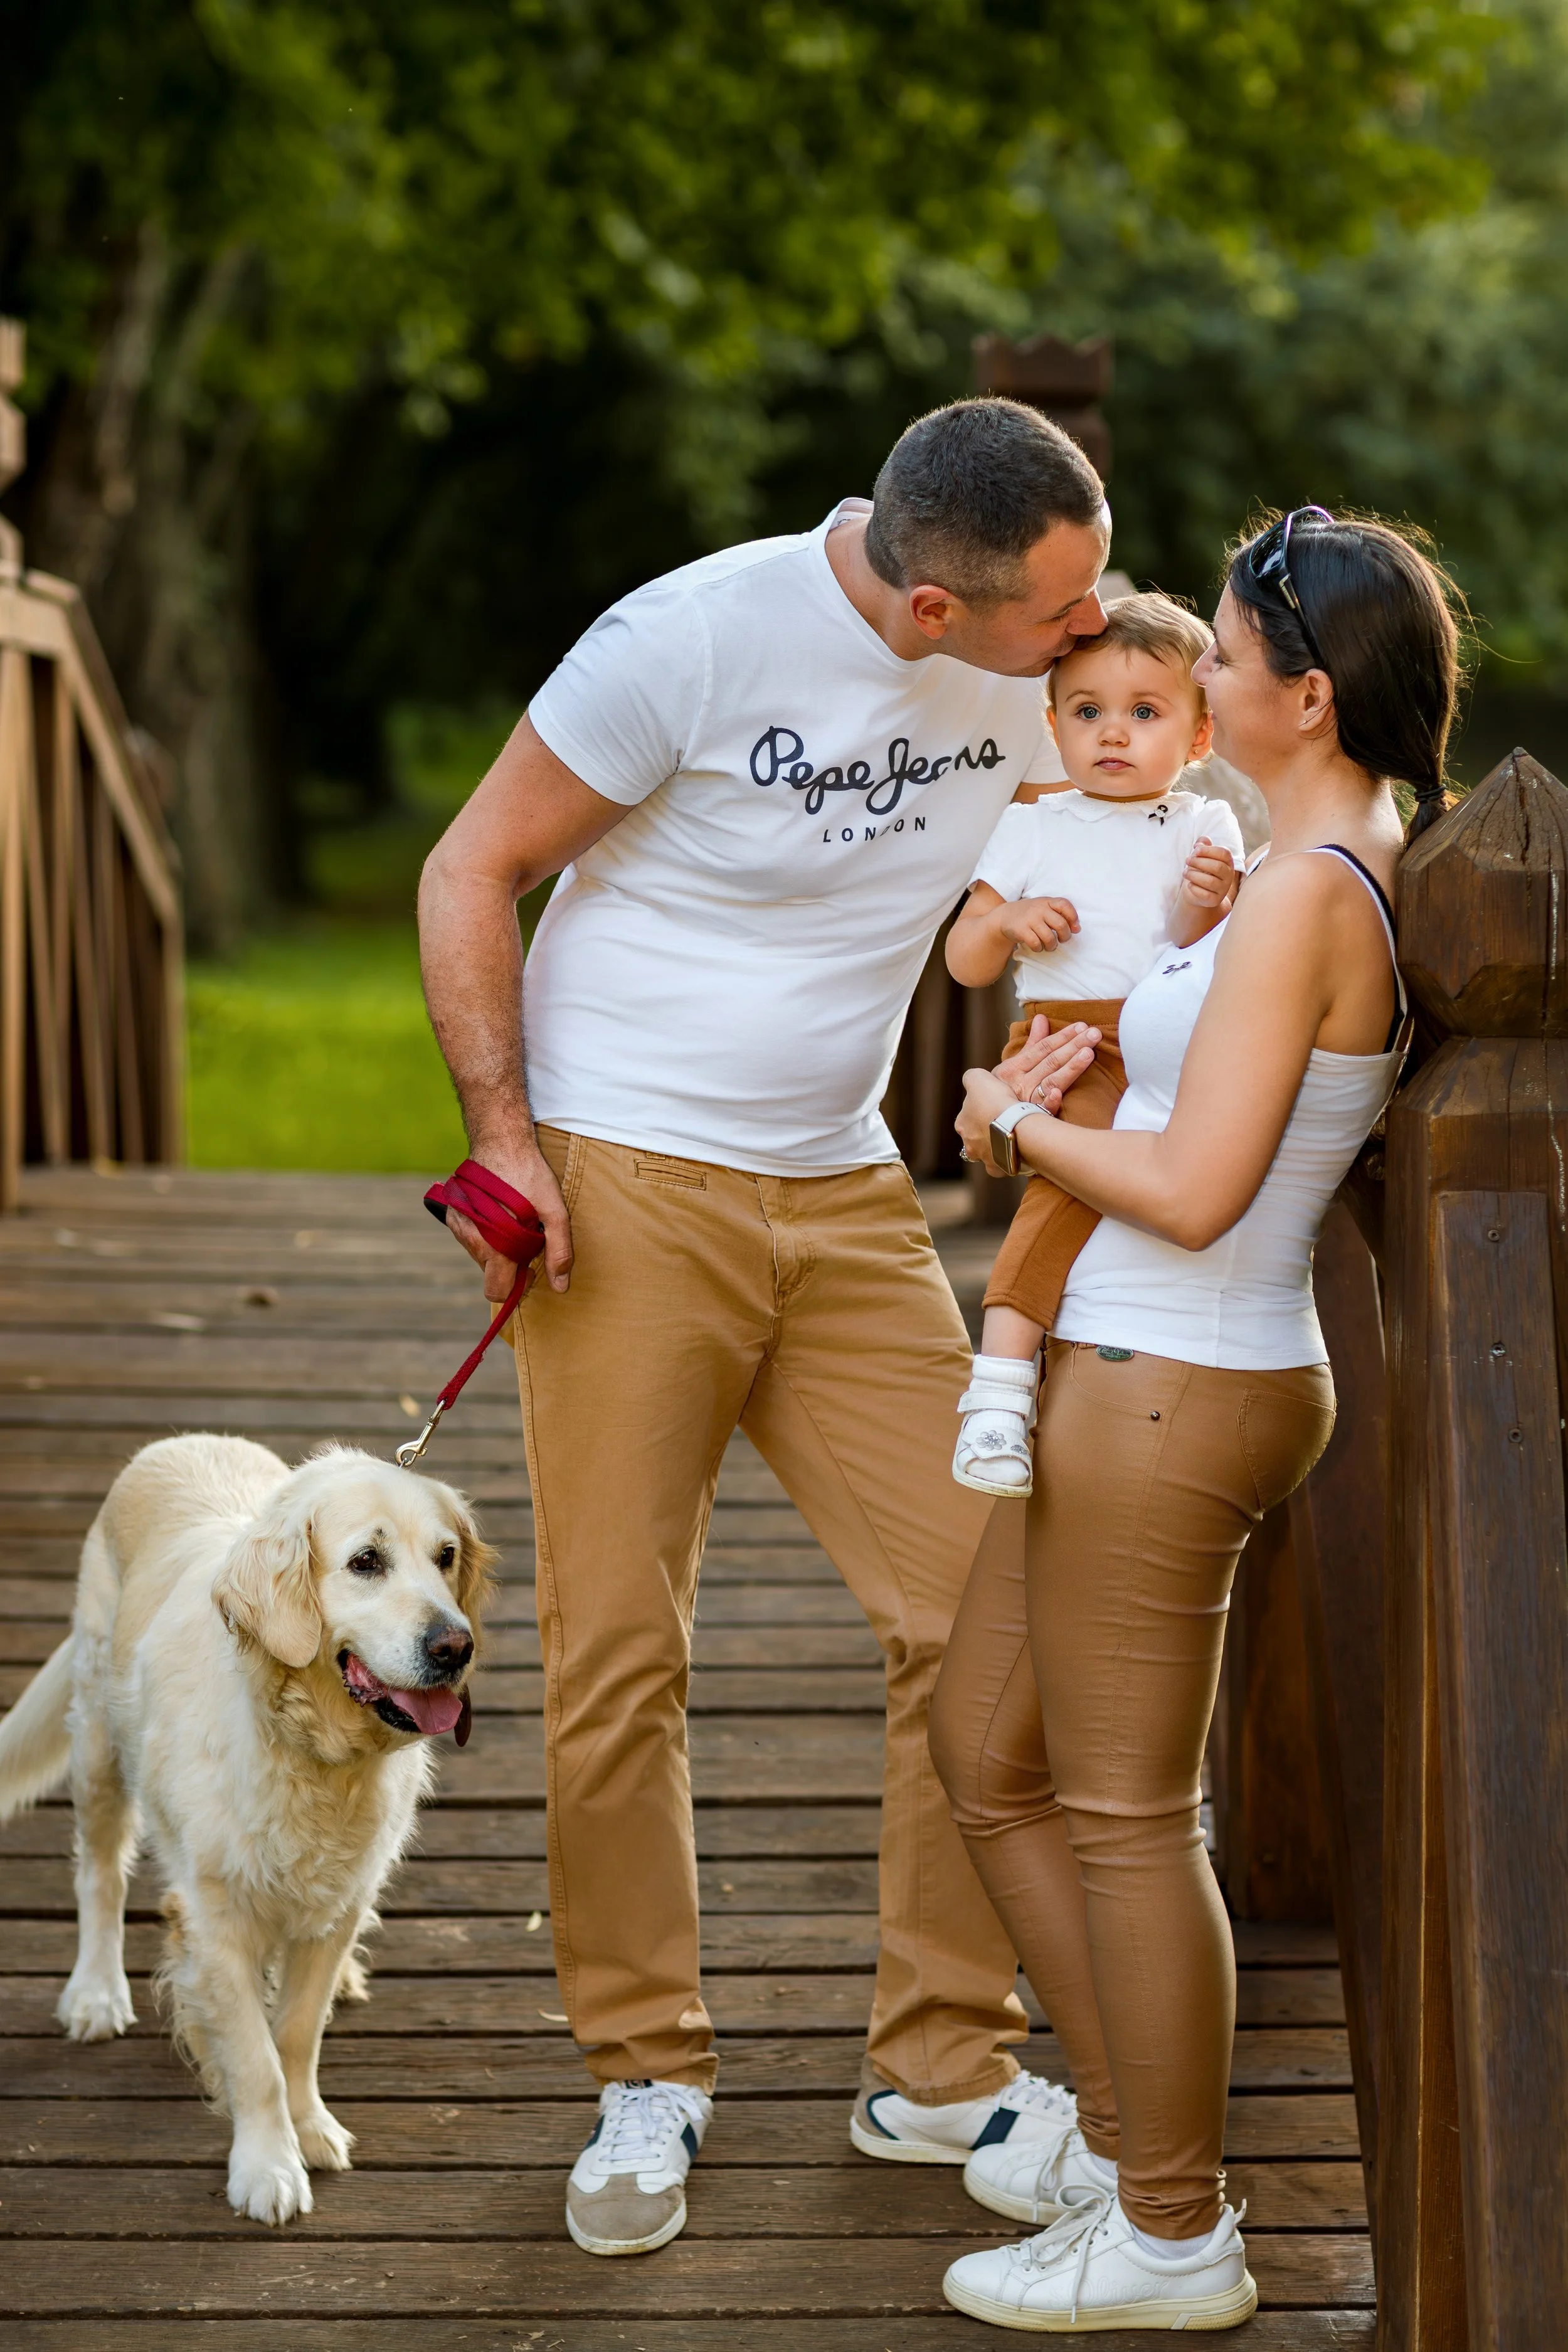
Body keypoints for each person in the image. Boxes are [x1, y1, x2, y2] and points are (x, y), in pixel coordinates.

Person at [417, 398, 1116, 2259]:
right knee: (619, 1645)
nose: (1088, 631)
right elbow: (467, 865)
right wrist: (504, 1141)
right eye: (1057, 611)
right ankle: (643, 2066)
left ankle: (939, 2065)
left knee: (978, 1610)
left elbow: (1202, 771)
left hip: (845, 1184)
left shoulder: (1037, 669)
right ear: (930, 609)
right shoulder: (687, 642)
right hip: (623, 1179)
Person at [927, 507, 1462, 2332]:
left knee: (1125, 1816)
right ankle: (1119, 2131)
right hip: (1124, 1366)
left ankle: (1169, 2231)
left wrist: (1010, 1124)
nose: (1196, 680)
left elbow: (1195, 1187)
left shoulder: (1310, 891)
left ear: (1304, 696)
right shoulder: (1297, 861)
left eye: (1220, 659)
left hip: (1173, 1376)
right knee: (984, 1749)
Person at [944, 594, 1244, 1496]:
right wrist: (1009, 922)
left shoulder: (1203, 824)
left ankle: (1047, 1372)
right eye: (1086, 711)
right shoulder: (1033, 825)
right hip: (1066, 1039)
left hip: (1170, 1033)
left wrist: (1208, 901)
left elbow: (1199, 946)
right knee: (1070, 1191)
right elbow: (964, 957)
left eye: (1145, 712)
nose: (1113, 732)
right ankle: (1000, 1388)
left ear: (1199, 735)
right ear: (1054, 725)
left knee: (1126, 1193)